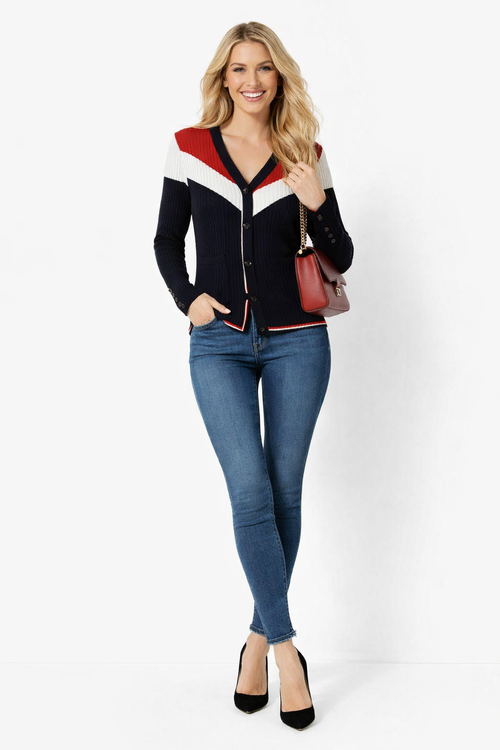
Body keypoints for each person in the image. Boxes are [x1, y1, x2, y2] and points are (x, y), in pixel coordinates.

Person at [153, 21, 354, 731]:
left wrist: (315, 202)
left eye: (263, 68)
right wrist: (187, 298)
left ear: (279, 77)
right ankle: (287, 650)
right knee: (249, 491)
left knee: (284, 493)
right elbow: (165, 239)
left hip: (299, 342)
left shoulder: (306, 154)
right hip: (219, 344)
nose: (251, 80)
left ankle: (254, 643)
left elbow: (342, 256)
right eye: (239, 68)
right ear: (223, 77)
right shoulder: (190, 148)